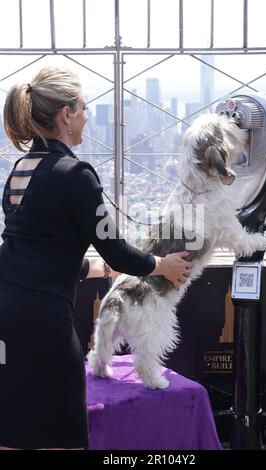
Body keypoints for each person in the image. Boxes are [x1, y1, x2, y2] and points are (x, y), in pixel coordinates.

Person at [0, 67, 192, 450]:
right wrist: (162, 265)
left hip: (6, 316)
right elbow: (117, 249)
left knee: (12, 429)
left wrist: (89, 266)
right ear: (66, 115)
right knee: (63, 433)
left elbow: (31, 247)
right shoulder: (76, 174)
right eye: (84, 108)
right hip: (44, 323)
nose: (88, 115)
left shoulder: (19, 170)